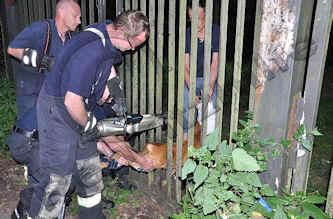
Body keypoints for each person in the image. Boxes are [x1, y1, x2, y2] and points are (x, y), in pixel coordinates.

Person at [19, 10, 156, 219]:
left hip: (79, 104)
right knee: (58, 181)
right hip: (58, 110)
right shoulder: (90, 53)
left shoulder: (108, 32)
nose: (134, 49)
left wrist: (113, 87)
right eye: (133, 43)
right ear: (121, 33)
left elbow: (107, 65)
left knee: (89, 173)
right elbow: (72, 103)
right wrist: (95, 129)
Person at [6, 1, 81, 218]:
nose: (79, 21)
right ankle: (32, 200)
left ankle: (49, 200)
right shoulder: (42, 29)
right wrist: (43, 61)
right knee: (35, 145)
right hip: (31, 95)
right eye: (76, 16)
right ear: (62, 13)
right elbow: (13, 49)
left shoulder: (70, 39)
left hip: (51, 99)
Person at [183, 0, 220, 140]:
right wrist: (191, 89)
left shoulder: (215, 31)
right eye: (191, 19)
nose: (194, 23)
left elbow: (215, 62)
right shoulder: (187, 33)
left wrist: (210, 86)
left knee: (211, 108)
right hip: (190, 77)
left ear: (207, 15)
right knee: (187, 109)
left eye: (199, 19)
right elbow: (185, 66)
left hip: (209, 77)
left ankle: (208, 144)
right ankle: (185, 145)